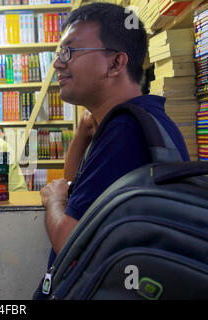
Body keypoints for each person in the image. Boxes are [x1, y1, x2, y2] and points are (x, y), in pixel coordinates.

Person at [40, 3, 190, 262]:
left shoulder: (126, 132)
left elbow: (70, 247)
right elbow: (75, 190)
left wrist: (53, 200)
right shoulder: (142, 118)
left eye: (69, 52)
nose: (57, 63)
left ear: (116, 63)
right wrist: (83, 133)